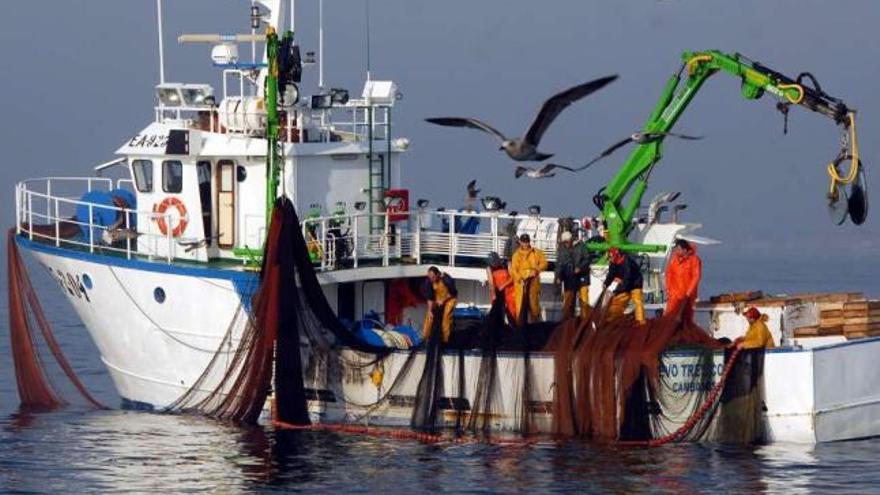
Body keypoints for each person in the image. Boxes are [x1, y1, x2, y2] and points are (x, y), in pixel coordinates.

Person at [510, 234, 548, 324]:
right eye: (523, 242)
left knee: (534, 307)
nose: (525, 244)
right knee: (521, 309)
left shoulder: (536, 252)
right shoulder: (516, 255)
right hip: (521, 285)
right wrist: (526, 274)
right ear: (520, 242)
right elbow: (514, 271)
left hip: (533, 284)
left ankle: (535, 327)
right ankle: (520, 329)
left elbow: (544, 263)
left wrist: (536, 270)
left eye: (527, 242)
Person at [603, 247, 646, 325]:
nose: (610, 259)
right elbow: (611, 275)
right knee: (617, 301)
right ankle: (612, 318)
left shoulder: (627, 262)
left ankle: (640, 321)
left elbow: (628, 278)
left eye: (610, 257)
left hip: (635, 283)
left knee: (637, 301)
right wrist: (606, 284)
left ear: (616, 255)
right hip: (624, 283)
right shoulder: (613, 263)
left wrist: (617, 291)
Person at [555, 231, 591, 320]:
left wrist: (580, 267)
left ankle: (584, 320)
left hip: (582, 276)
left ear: (571, 239)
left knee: (584, 299)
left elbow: (587, 259)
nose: (566, 244)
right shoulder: (562, 249)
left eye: (567, 241)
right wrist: (558, 276)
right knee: (569, 300)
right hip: (569, 277)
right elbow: (559, 264)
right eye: (564, 242)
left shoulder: (581, 246)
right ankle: (568, 320)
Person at [664, 239, 702, 322]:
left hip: (687, 295)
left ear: (685, 250)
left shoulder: (694, 260)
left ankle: (686, 332)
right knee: (669, 315)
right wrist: (669, 288)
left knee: (687, 317)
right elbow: (668, 274)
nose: (676, 251)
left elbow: (696, 276)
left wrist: (688, 292)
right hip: (674, 294)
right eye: (676, 249)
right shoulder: (674, 259)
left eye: (678, 249)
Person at [421, 266, 458, 343]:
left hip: (449, 299)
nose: (431, 279)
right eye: (430, 277)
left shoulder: (447, 279)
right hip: (437, 299)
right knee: (429, 317)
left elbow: (453, 293)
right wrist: (430, 310)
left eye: (433, 277)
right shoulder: (429, 282)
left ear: (438, 274)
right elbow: (430, 297)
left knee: (446, 318)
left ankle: (445, 340)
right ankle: (424, 338)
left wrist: (443, 300)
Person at [486, 252, 517, 322]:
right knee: (497, 313)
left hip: (510, 292)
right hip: (498, 293)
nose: (494, 265)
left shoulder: (507, 263)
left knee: (512, 313)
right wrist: (493, 294)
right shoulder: (489, 268)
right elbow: (491, 283)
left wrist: (503, 286)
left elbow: (513, 278)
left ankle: (514, 328)